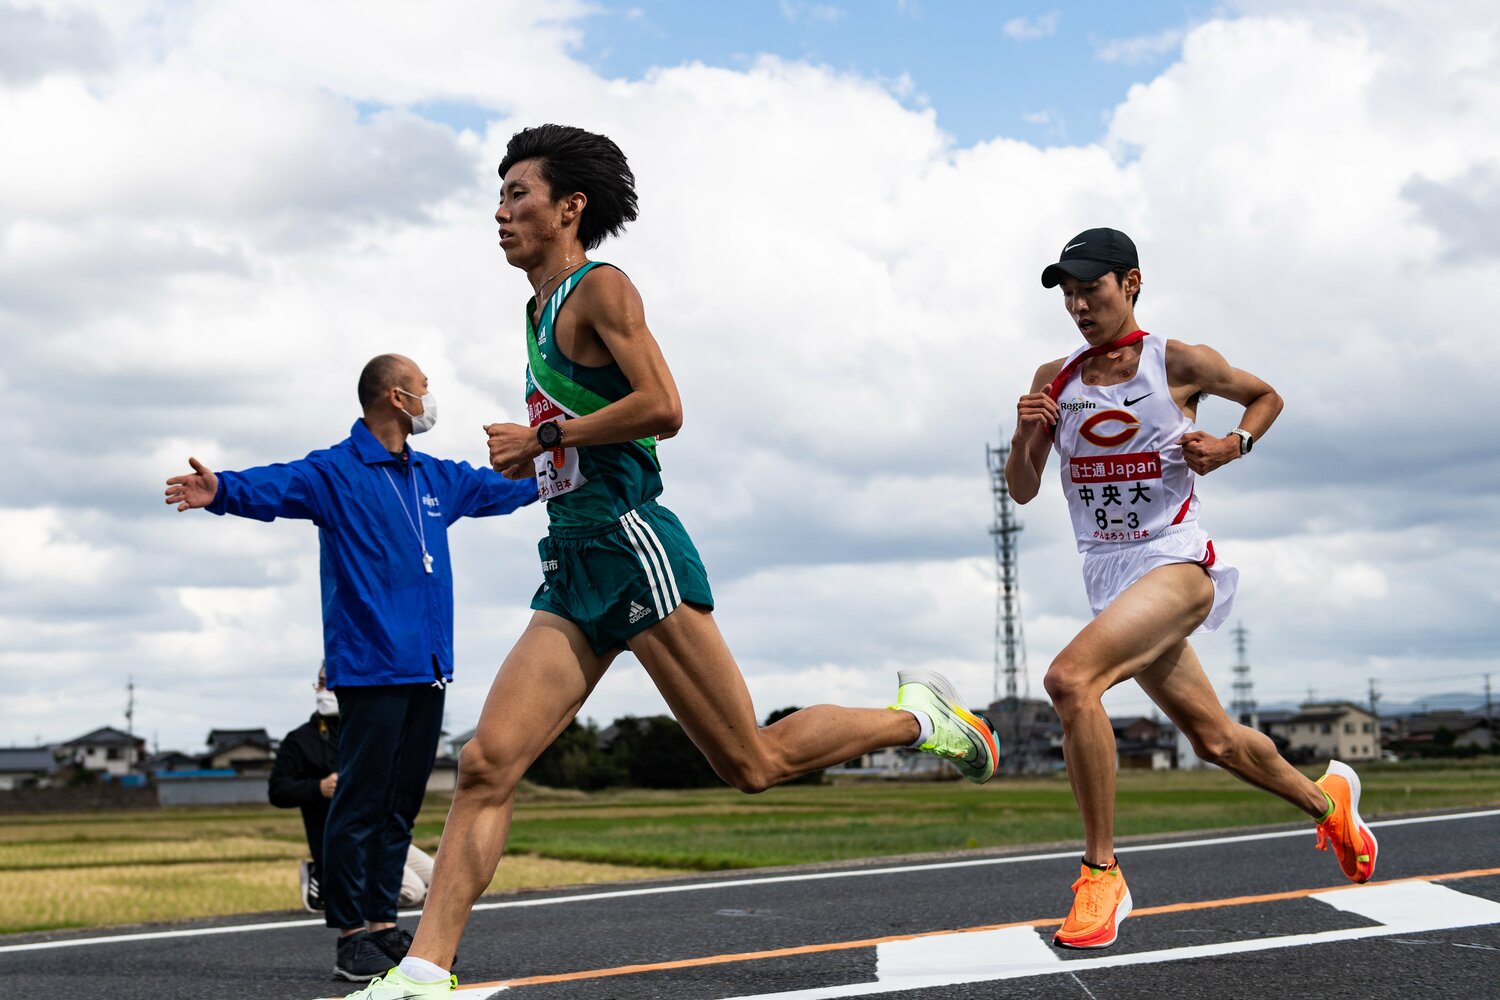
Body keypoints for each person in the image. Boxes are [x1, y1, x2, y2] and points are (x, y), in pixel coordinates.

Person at [342, 124, 1000, 999]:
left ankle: (918, 720)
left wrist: (545, 437)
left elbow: (664, 406)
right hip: (573, 560)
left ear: (569, 208)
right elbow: (584, 440)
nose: (500, 212)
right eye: (498, 196)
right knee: (486, 763)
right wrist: (536, 463)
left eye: (518, 194)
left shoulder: (601, 287)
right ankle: (426, 972)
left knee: (752, 764)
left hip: (633, 544)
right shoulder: (535, 311)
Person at [1005, 228, 1378, 950]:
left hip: (1175, 563)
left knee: (1070, 680)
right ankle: (1328, 804)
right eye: (1069, 295)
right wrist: (1026, 438)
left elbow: (1265, 396)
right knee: (1214, 741)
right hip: (1109, 578)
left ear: (1131, 283)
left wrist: (1233, 445)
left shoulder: (1177, 361)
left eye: (1092, 290)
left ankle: (1101, 874)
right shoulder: (1054, 377)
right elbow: (1022, 490)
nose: (1079, 306)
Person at [164, 354, 537, 981]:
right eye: (423, 388)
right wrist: (221, 490)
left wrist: (562, 467)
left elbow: (498, 489)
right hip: (370, 665)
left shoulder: (432, 476)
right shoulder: (335, 471)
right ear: (396, 397)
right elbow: (277, 485)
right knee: (360, 803)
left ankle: (384, 925)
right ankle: (350, 935)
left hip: (429, 664)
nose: (429, 398)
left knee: (399, 805)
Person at [269, 664, 437, 914]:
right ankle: (327, 883)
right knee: (411, 892)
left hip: (380, 830)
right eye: (322, 682)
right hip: (340, 838)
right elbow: (277, 791)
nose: (326, 689)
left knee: (438, 879)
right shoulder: (299, 740)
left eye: (333, 682)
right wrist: (318, 787)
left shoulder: (369, 730)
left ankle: (336, 885)